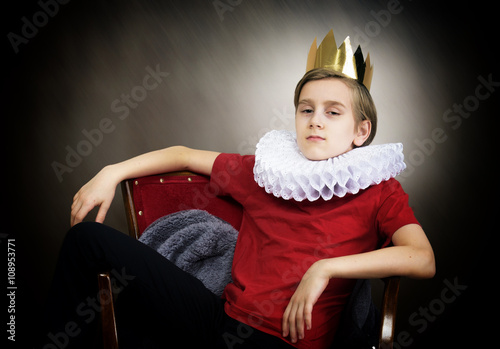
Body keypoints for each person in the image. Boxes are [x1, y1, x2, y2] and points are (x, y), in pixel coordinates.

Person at [40, 35, 435, 349]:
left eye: (333, 112)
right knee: (86, 239)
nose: (316, 121)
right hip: (219, 323)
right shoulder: (266, 171)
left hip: (285, 344)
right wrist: (112, 172)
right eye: (305, 109)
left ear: (360, 131)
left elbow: (421, 258)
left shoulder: (378, 189)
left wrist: (327, 268)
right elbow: (183, 155)